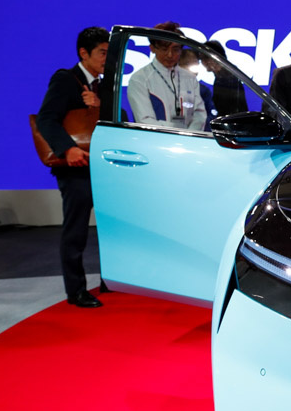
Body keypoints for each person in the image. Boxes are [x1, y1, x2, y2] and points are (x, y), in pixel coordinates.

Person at [36, 27, 110, 308]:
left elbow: (121, 117)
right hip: (74, 167)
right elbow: (46, 119)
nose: (107, 58)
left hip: (101, 165)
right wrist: (68, 149)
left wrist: (99, 105)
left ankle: (110, 281)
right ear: (84, 53)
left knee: (110, 227)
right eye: (102, 52)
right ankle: (75, 289)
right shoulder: (65, 79)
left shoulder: (104, 84)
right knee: (76, 229)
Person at [126, 21, 207, 131]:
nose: (170, 55)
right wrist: (179, 131)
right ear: (152, 48)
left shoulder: (190, 78)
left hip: (188, 139)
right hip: (155, 138)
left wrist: (189, 134)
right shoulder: (139, 79)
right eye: (164, 49)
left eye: (175, 49)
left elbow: (199, 115)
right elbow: (144, 120)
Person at [201, 40, 247, 118]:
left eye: (203, 58)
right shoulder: (223, 76)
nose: (202, 62)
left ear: (212, 58)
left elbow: (230, 109)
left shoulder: (227, 78)